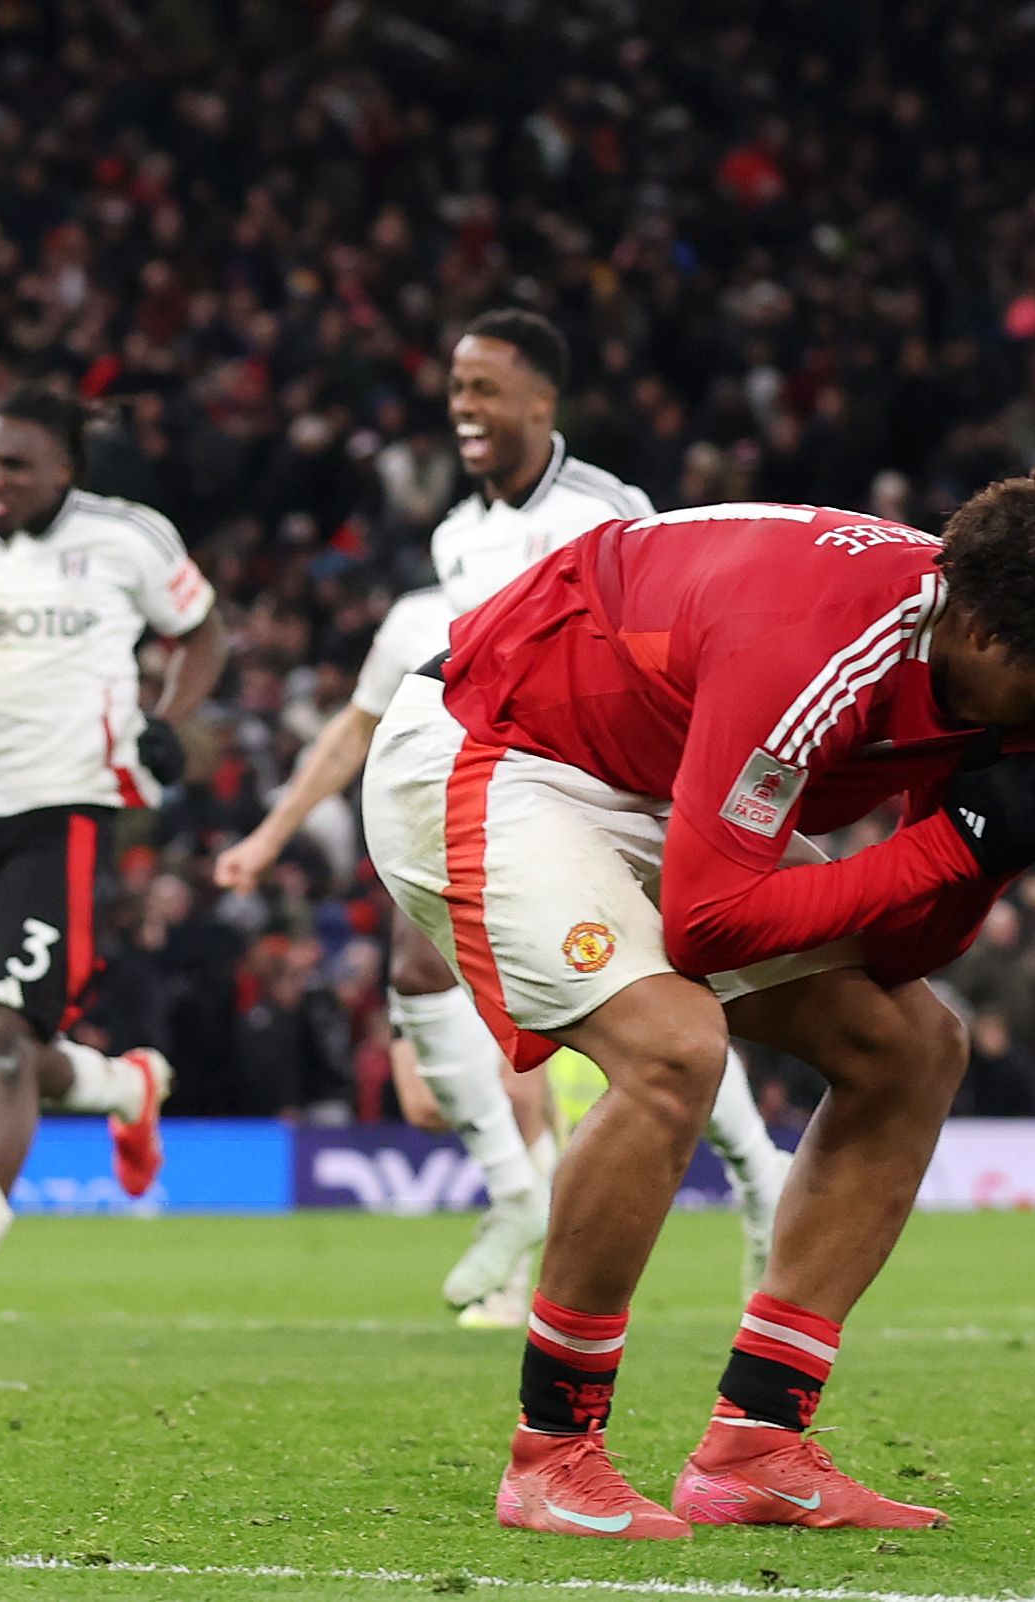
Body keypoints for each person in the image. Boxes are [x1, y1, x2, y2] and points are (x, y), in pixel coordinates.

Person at [363, 462, 1035, 1537]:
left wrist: (980, 856)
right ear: (984, 635)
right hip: (492, 745)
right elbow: (706, 925)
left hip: (658, 778)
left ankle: (755, 1447)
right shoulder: (821, 638)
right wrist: (955, 840)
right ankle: (552, 1454)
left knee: (912, 1049)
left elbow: (905, 941)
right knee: (671, 1048)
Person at [216, 310, 793, 1328]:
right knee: (414, 965)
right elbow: (380, 715)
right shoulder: (455, 539)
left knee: (659, 1003)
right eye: (455, 391)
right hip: (493, 778)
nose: (464, 410)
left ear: (541, 399)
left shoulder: (608, 506)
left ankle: (756, 1177)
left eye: (483, 389)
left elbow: (671, 632)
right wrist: (266, 839)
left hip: (603, 778)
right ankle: (519, 1192)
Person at [0, 385, 228, 1338]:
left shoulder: (128, 538)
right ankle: (122, 1086)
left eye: (15, 465)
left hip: (65, 811)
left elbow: (205, 630)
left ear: (65, 469)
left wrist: (166, 721)